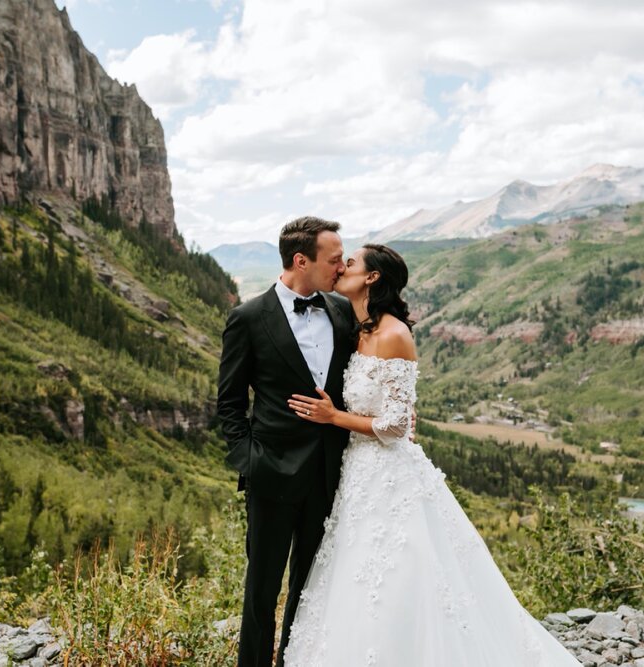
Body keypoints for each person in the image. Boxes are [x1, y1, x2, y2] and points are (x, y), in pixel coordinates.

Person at [283, 244, 582, 666]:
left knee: (400, 574)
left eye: (351, 263)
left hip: (389, 474)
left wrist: (333, 417)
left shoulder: (393, 334)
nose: (342, 266)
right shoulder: (360, 328)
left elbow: (395, 426)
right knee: (357, 572)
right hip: (359, 474)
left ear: (372, 277)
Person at [217, 217, 356, 667]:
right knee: (261, 590)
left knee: (309, 586)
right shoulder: (249, 318)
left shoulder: (340, 312)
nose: (342, 266)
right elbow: (230, 404)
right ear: (302, 260)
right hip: (271, 476)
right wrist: (251, 461)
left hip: (328, 473)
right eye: (334, 259)